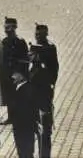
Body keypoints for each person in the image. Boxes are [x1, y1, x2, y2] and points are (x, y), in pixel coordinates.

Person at [29, 24, 59, 158]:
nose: (37, 37)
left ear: (45, 34)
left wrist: (50, 83)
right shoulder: (33, 48)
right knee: (35, 125)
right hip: (34, 91)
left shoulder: (51, 48)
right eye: (36, 34)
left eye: (40, 35)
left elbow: (54, 69)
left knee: (45, 128)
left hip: (45, 91)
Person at [1, 17, 29, 125]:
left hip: (17, 74)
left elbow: (24, 60)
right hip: (7, 73)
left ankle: (18, 116)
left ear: (14, 27)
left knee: (18, 96)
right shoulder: (4, 41)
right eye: (5, 27)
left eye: (9, 28)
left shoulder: (20, 42)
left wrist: (21, 74)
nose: (6, 30)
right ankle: (10, 117)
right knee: (9, 96)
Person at [11, 71, 40, 158]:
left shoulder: (27, 90)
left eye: (15, 74)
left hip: (24, 128)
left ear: (21, 76)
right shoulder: (20, 88)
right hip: (21, 127)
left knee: (25, 152)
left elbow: (27, 111)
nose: (12, 76)